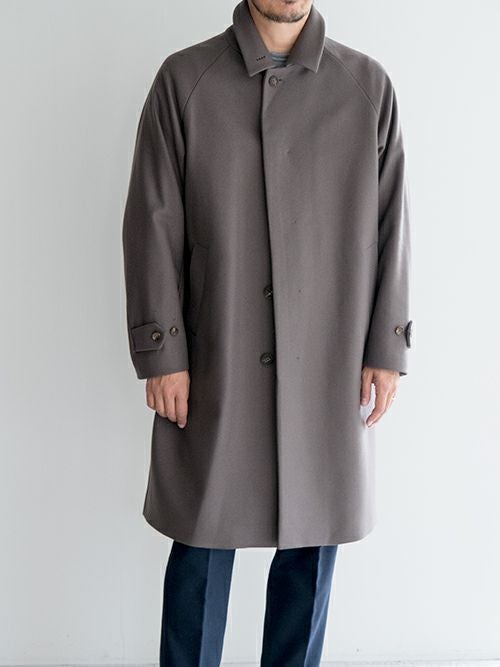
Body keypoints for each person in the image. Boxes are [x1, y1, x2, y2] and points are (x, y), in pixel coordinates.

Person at [122, 0, 413, 664]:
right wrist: (161, 350)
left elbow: (393, 222)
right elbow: (152, 221)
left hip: (330, 359)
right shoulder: (185, 80)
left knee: (312, 547)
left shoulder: (366, 87)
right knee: (201, 546)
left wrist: (387, 346)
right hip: (215, 355)